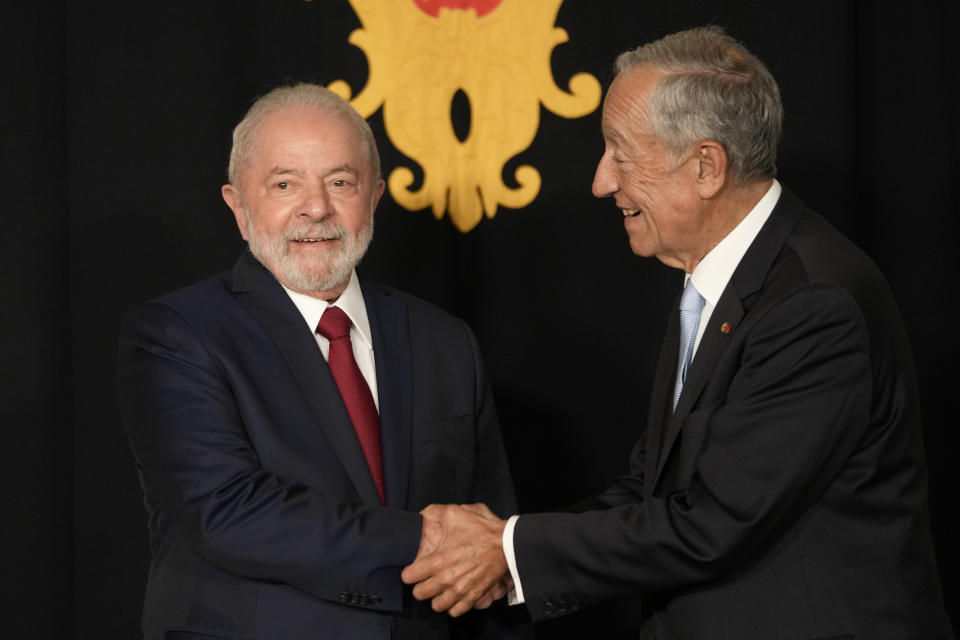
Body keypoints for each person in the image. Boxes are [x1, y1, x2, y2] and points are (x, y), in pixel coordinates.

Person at [401, 26, 956, 639]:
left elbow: (711, 524)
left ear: (705, 166)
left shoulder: (812, 305)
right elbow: (655, 489)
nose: (601, 181)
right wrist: (504, 555)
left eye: (620, 152)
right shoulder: (722, 278)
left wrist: (506, 549)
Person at [117, 83, 525, 640]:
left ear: (374, 197)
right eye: (285, 184)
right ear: (238, 206)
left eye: (340, 182)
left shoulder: (444, 340)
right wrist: (422, 538)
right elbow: (229, 511)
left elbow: (487, 548)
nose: (316, 207)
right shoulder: (175, 335)